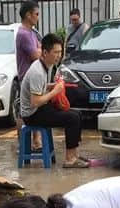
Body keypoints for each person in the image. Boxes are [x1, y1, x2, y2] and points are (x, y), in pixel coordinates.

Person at [21, 33, 88, 168]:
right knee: (71, 118)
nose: (58, 55)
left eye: (60, 52)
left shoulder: (47, 65)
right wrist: (55, 91)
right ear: (45, 52)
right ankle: (70, 159)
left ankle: (74, 153)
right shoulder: (37, 71)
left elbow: (40, 88)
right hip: (32, 114)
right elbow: (35, 101)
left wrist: (51, 86)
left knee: (77, 114)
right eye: (55, 52)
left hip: (40, 108)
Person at [16, 0, 43, 150]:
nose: (38, 17)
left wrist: (40, 50)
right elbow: (36, 54)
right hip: (26, 78)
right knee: (26, 112)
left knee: (36, 108)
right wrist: (40, 50)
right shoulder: (24, 34)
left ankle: (37, 141)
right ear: (28, 15)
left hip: (33, 77)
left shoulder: (32, 32)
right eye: (36, 14)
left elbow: (41, 49)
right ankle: (24, 145)